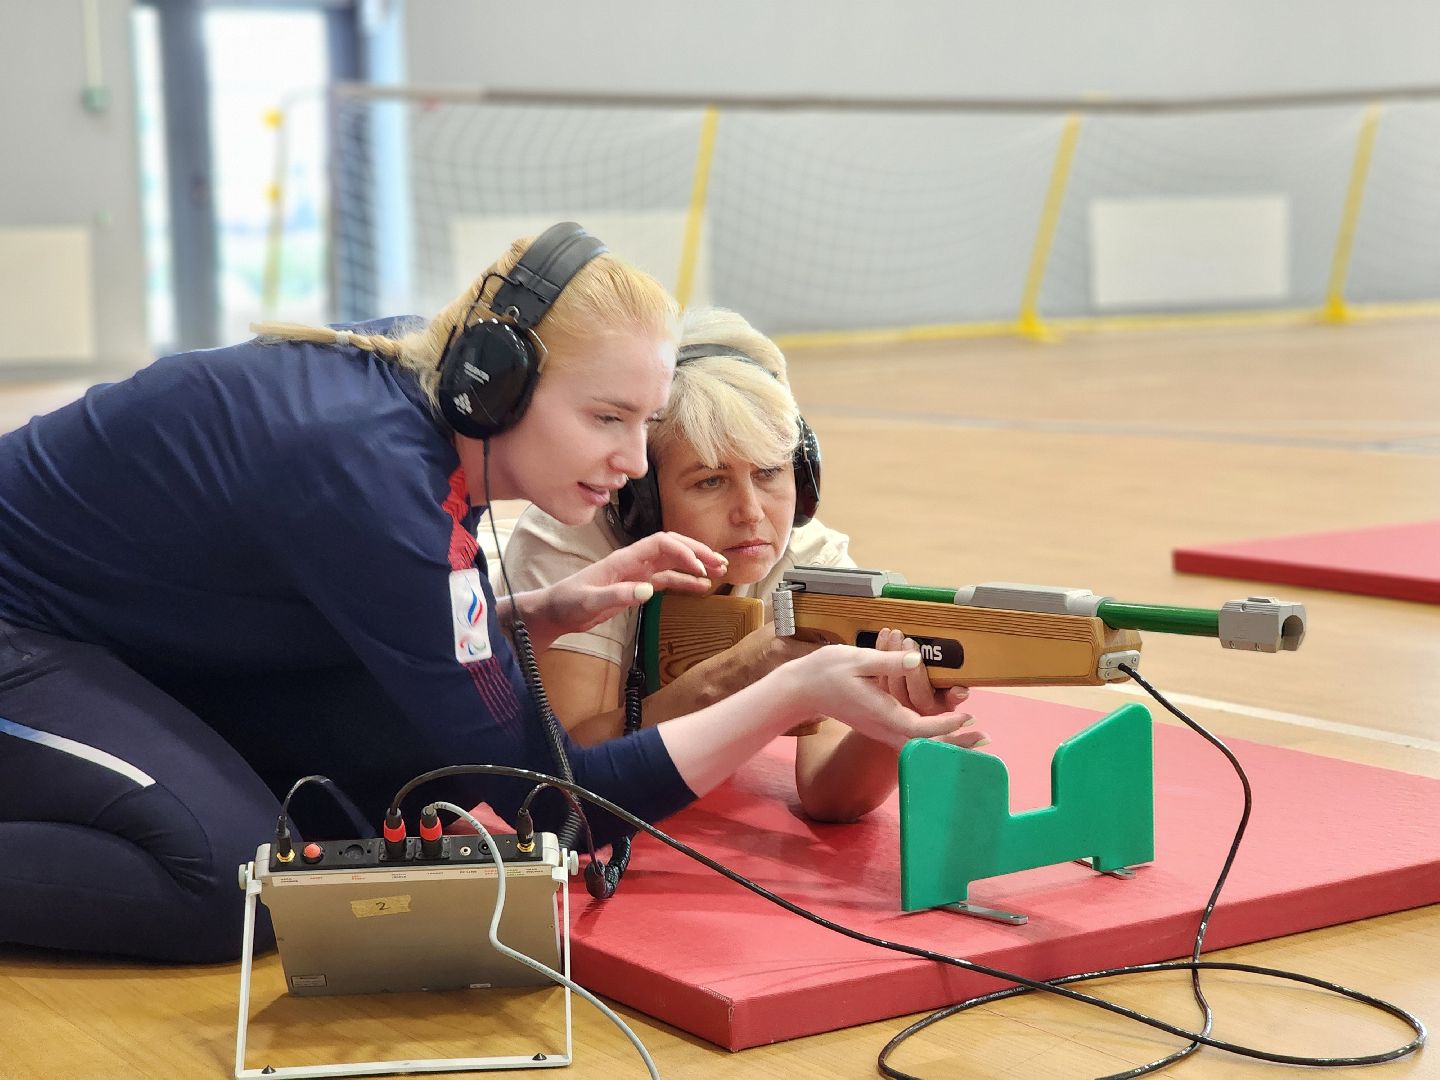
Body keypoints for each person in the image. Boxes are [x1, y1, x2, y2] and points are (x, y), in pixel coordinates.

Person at [0, 224, 969, 964]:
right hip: (23, 630)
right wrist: (789, 691)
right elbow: (553, 803)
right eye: (606, 418)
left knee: (388, 781)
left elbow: (421, 664)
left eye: (643, 424)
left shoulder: (421, 391)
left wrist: (533, 613)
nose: (633, 464)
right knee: (234, 886)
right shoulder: (367, 470)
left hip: (111, 635)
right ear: (498, 388)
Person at [504, 306, 982, 823]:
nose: (751, 513)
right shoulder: (571, 540)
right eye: (710, 481)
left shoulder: (810, 558)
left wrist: (897, 718)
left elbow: (829, 795)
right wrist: (741, 673)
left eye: (770, 472)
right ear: (642, 499)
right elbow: (570, 770)